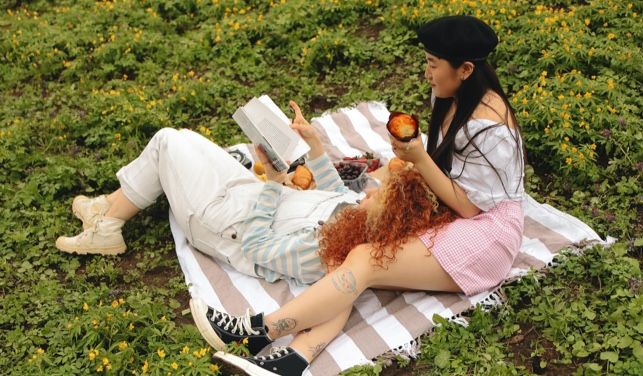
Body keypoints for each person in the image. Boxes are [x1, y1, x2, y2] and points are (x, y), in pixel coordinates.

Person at [194, 14, 526, 376]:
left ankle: (258, 331)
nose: (427, 74)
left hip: (485, 235)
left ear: (464, 69)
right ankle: (292, 360)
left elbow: (468, 206)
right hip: (454, 212)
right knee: (348, 255)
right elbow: (445, 175)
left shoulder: (489, 128)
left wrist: (418, 158)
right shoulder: (452, 95)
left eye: (433, 65)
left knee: (364, 261)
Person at [56, 102, 454, 286]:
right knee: (185, 137)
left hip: (221, 221)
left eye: (377, 196)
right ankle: (108, 209)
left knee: (167, 143)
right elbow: (336, 195)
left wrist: (275, 183)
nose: (368, 192)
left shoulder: (328, 253)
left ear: (382, 218)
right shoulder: (358, 221)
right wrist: (315, 145)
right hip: (249, 196)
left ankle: (107, 224)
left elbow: (258, 246)